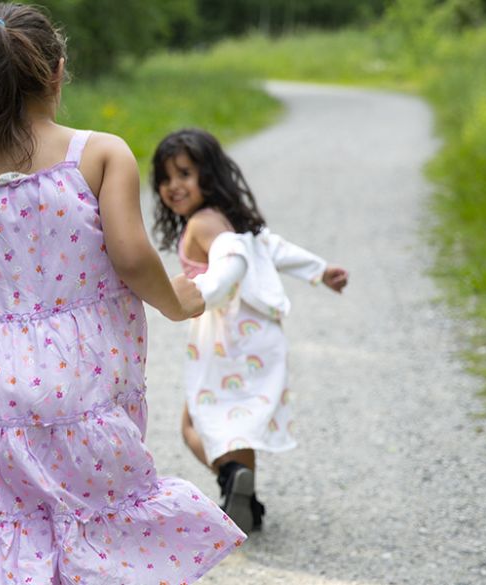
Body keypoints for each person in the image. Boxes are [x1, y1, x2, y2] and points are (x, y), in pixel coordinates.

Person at [0, 5, 245, 583]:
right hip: (84, 383)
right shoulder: (100, 154)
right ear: (58, 71)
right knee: (95, 527)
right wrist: (178, 302)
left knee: (19, 529)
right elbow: (130, 257)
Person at [150, 128, 349, 533]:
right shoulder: (232, 220)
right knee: (237, 423)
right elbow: (274, 248)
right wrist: (320, 271)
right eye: (166, 177)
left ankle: (229, 478)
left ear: (208, 174)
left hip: (227, 337)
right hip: (260, 338)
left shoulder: (205, 226)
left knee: (194, 423)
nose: (174, 186)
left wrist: (202, 292)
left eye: (184, 173)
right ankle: (248, 501)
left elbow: (231, 262)